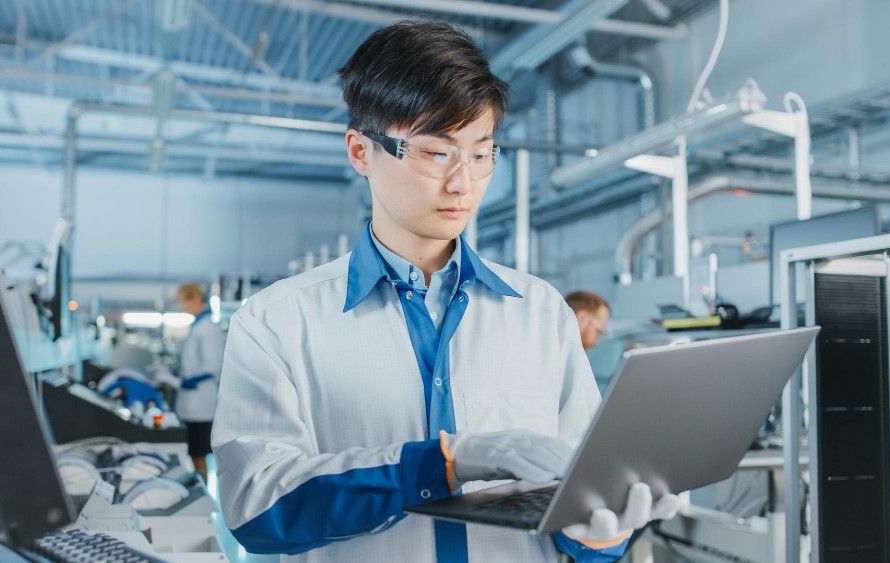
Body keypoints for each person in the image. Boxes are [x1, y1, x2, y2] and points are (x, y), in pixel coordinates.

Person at [213, 20, 678, 562]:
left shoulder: (540, 312)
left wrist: (602, 534)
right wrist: (445, 463)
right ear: (362, 152)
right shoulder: (277, 322)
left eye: (481, 154)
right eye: (436, 153)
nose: (463, 182)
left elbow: (580, 500)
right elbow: (257, 509)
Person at [175, 282, 225, 484]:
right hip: (191, 402)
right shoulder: (197, 326)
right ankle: (197, 488)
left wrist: (184, 381)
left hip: (200, 401)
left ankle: (202, 491)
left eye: (183, 301)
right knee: (193, 451)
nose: (181, 306)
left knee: (198, 453)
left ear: (195, 299)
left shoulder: (208, 329)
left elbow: (213, 365)